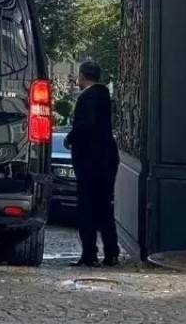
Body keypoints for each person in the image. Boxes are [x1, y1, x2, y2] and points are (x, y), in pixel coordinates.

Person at [64, 60, 120, 267]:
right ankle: (111, 252)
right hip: (106, 159)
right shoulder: (104, 95)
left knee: (86, 208)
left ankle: (89, 253)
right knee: (104, 208)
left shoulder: (88, 97)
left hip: (90, 161)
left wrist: (70, 137)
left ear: (83, 76)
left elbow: (86, 125)